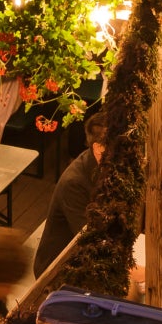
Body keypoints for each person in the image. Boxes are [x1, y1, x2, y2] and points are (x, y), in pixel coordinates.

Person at [34, 114, 109, 273]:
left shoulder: (99, 165)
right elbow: (90, 240)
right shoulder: (74, 184)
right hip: (59, 270)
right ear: (98, 148)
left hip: (89, 257)